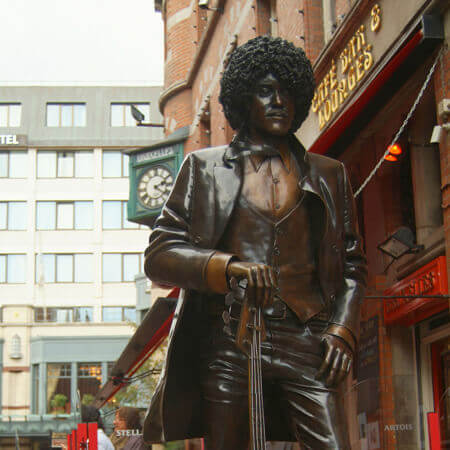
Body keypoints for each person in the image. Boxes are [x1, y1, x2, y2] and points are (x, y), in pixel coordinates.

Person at [143, 36, 367, 449]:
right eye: (266, 90)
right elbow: (159, 255)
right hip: (231, 340)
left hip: (307, 341)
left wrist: (342, 330)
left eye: (286, 91)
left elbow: (353, 265)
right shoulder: (205, 168)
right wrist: (227, 267)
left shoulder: (329, 173)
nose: (279, 100)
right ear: (244, 98)